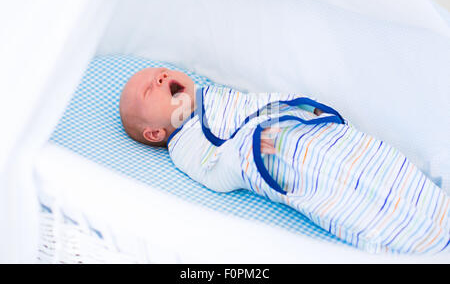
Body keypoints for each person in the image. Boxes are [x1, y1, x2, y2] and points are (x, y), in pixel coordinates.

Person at [119, 66, 449, 254]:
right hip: (286, 160)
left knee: (382, 164)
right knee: (348, 195)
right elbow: (216, 172)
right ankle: (419, 248)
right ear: (153, 134)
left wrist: (299, 110)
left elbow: (257, 103)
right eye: (150, 89)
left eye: (159, 72)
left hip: (320, 137)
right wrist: (250, 146)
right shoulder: (184, 144)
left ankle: (436, 210)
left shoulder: (213, 94)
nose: (160, 77)